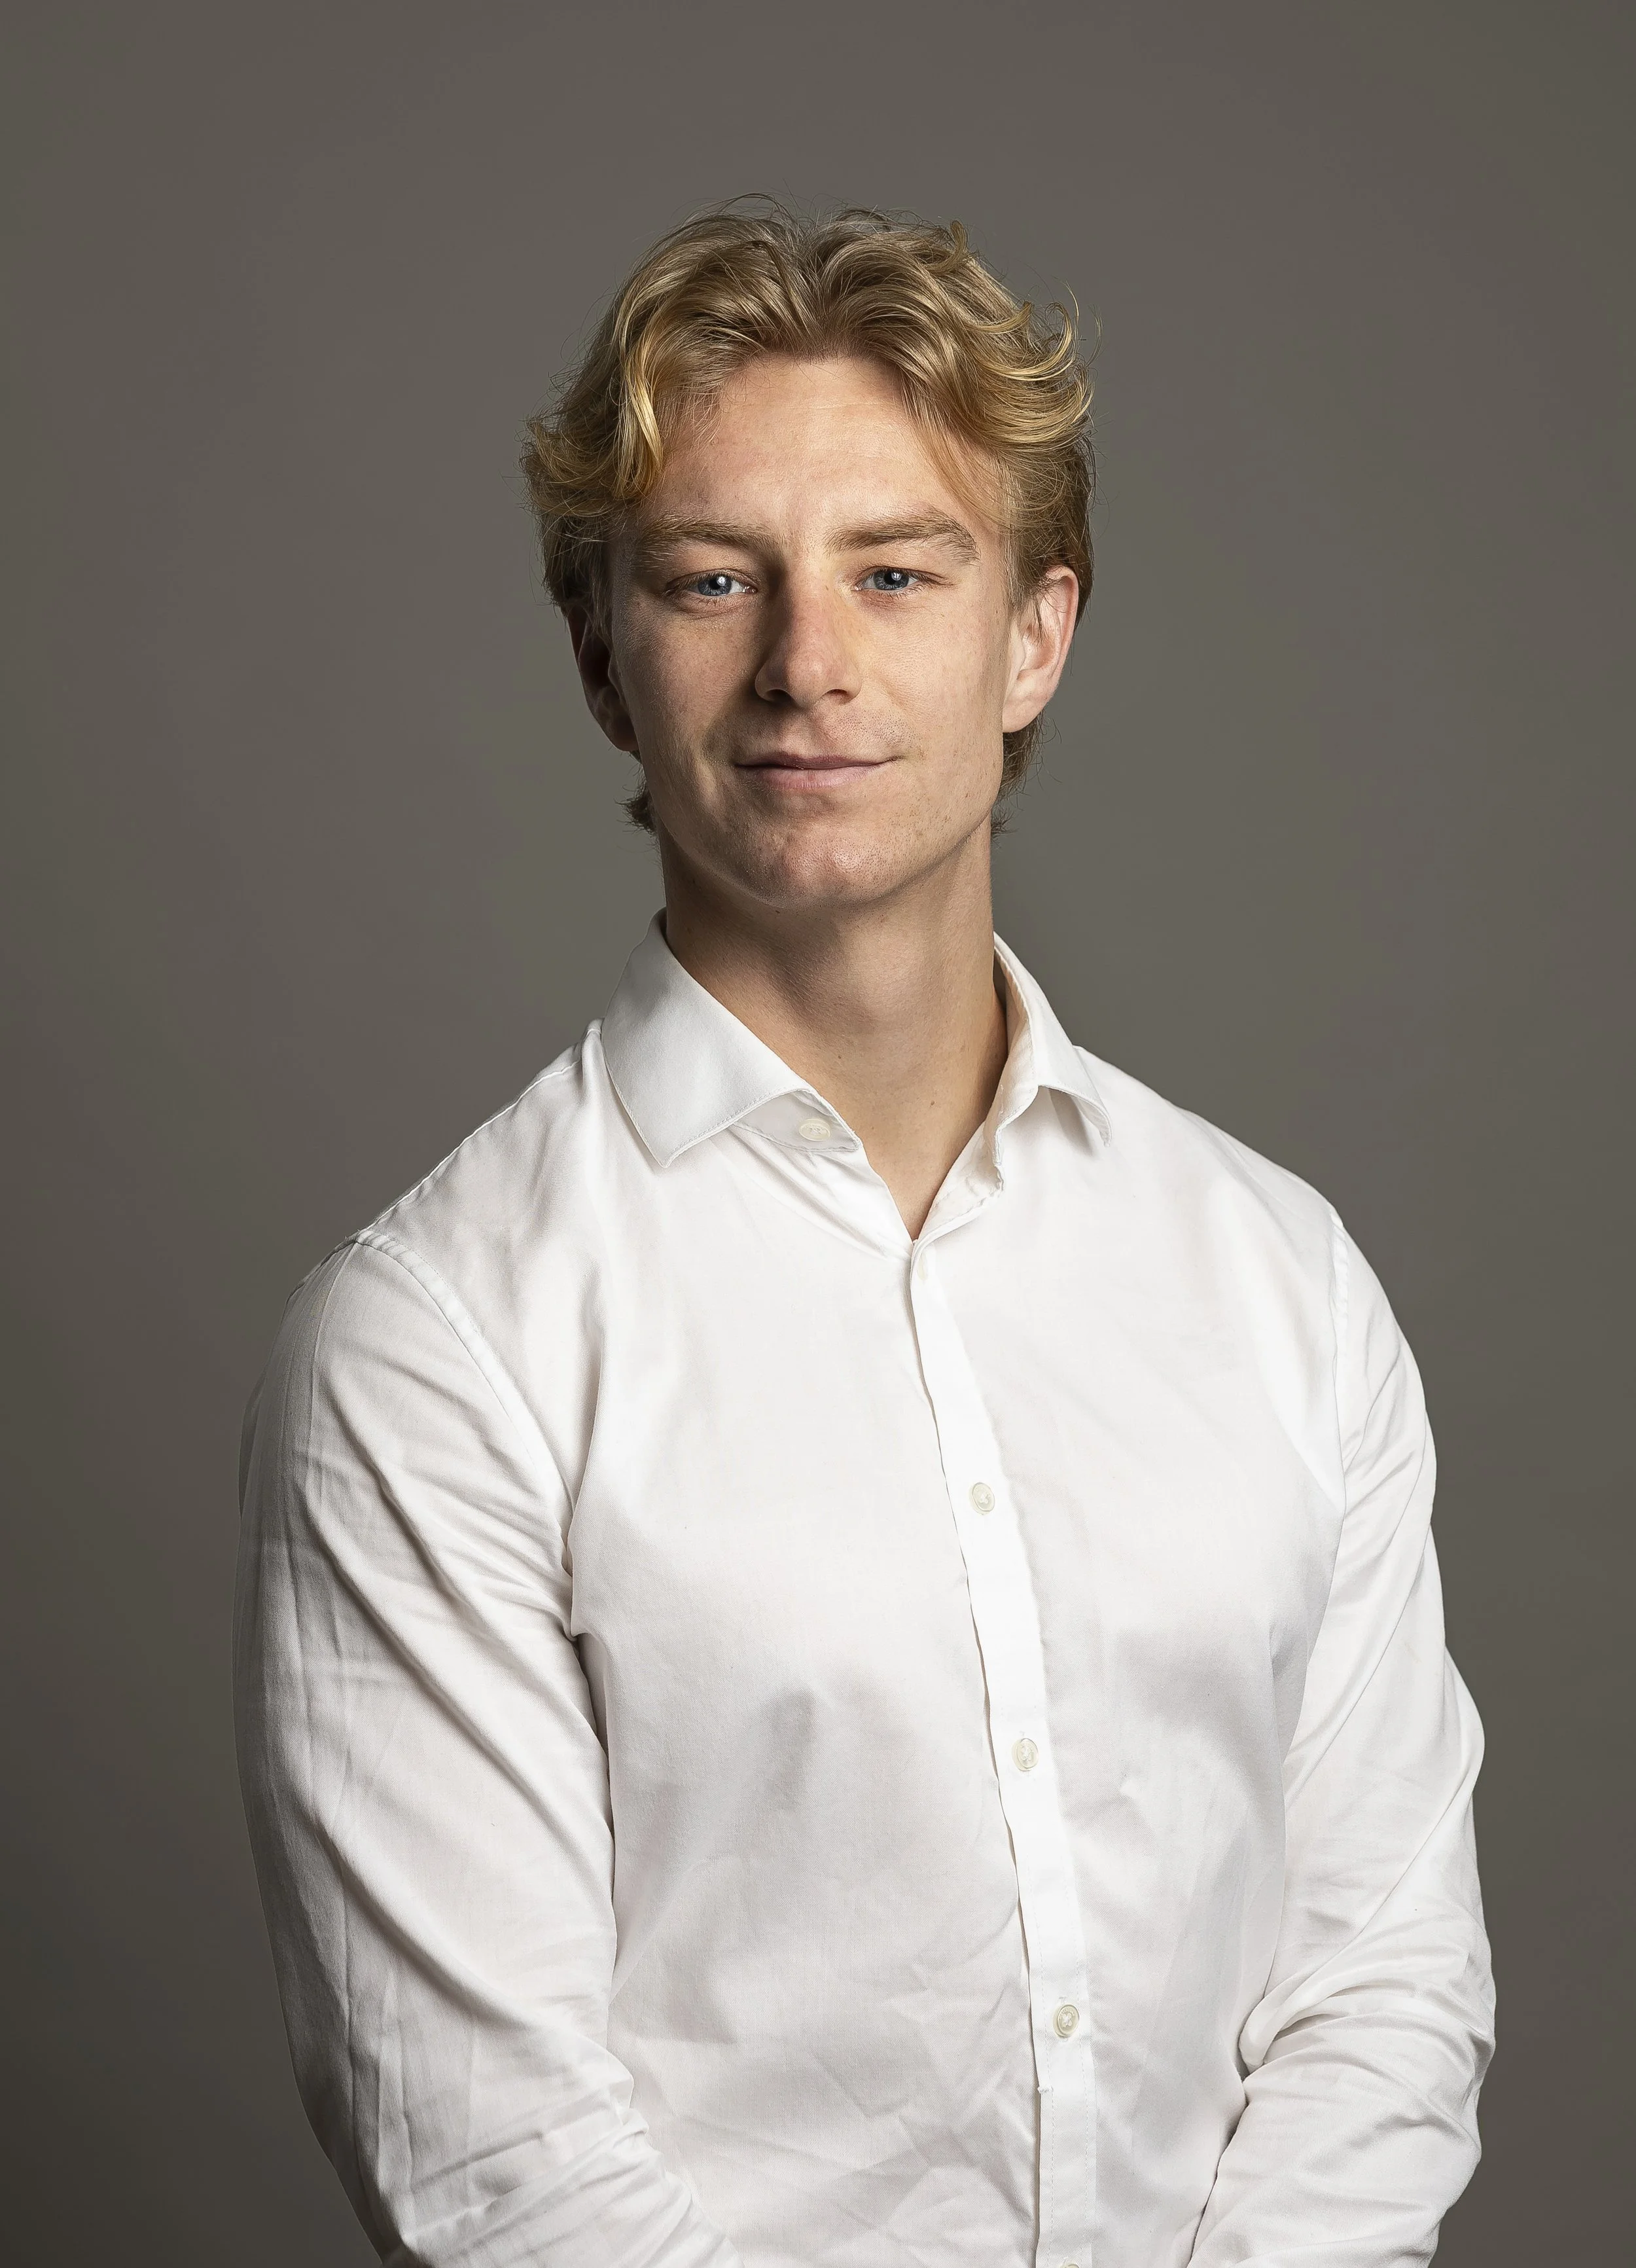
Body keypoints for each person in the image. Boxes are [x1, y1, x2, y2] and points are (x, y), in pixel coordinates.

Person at [234, 204, 1493, 2268]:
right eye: (710, 579)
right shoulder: (434, 1342)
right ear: (602, 656)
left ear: (1033, 637)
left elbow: (1380, 1986)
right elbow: (495, 2161)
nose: (806, 662)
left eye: (896, 572)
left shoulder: (1280, 1282)